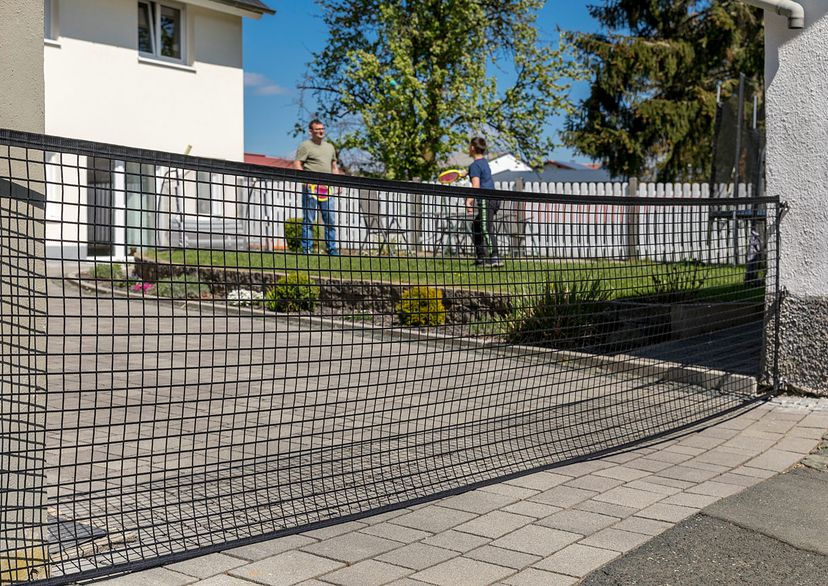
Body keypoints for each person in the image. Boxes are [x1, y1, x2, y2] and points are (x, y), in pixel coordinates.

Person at [293, 119, 340, 255]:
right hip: (311, 188)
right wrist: (305, 181)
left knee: (330, 220)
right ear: (311, 131)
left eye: (322, 129)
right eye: (317, 129)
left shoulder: (330, 147)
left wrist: (338, 183)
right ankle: (307, 249)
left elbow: (334, 166)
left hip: (327, 189)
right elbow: (297, 164)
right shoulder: (305, 146)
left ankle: (332, 249)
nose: (321, 131)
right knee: (309, 220)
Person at [465, 137, 502, 267]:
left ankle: (495, 257)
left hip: (486, 199)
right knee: (477, 225)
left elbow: (476, 186)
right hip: (493, 198)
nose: (468, 148)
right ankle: (481, 258)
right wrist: (465, 172)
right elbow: (479, 174)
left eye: (469, 146)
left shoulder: (475, 165)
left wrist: (469, 201)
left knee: (486, 228)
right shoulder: (483, 162)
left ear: (473, 148)